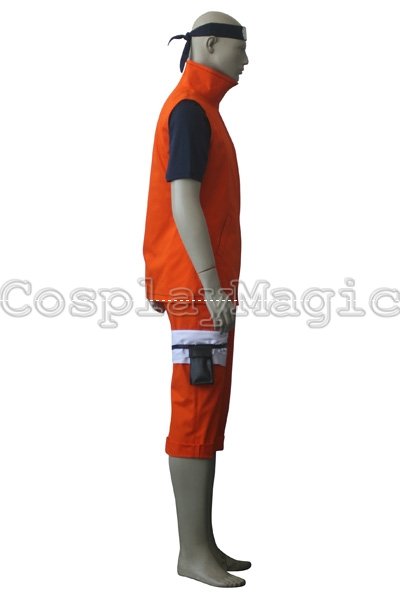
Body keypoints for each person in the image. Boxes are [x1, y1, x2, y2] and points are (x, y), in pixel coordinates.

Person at [142, 10, 250, 588]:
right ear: (208, 45)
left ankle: (203, 542)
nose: (246, 59)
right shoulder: (189, 110)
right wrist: (209, 284)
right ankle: (191, 554)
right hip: (197, 291)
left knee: (208, 408)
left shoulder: (200, 109)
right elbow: (181, 200)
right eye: (240, 47)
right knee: (196, 408)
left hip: (202, 287)